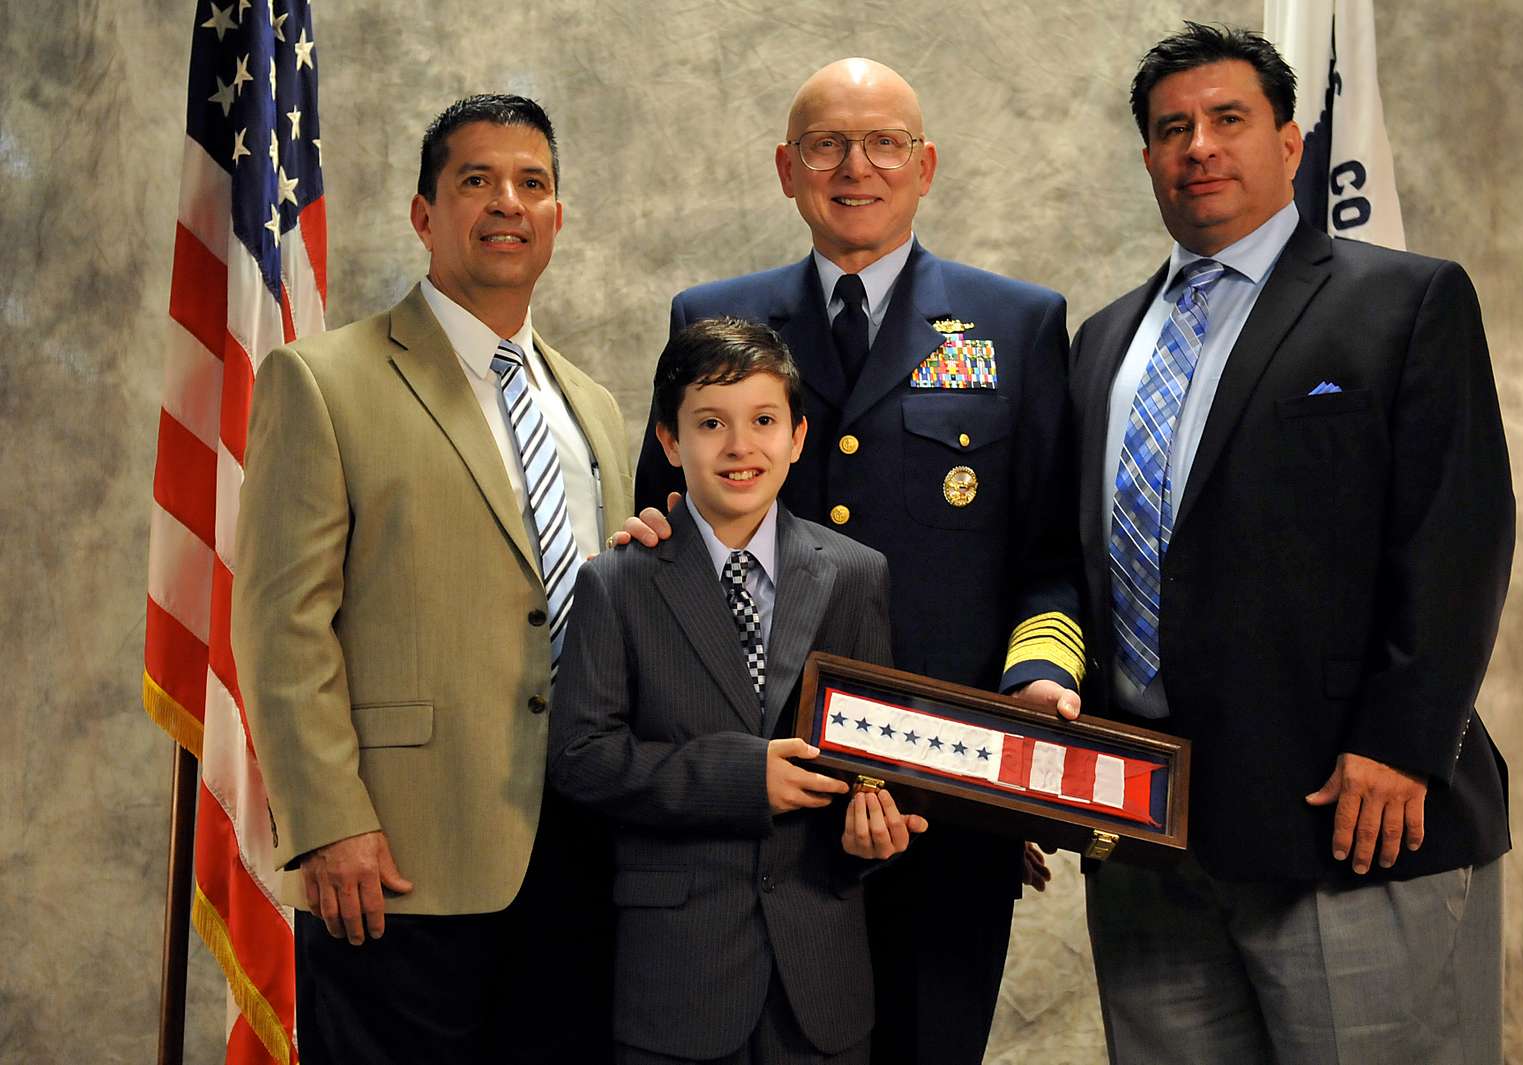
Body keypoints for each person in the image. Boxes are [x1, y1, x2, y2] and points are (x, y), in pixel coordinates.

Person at [1065, 23, 1514, 1064]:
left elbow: (1458, 534)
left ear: (1290, 141)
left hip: (1349, 819)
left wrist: (1403, 747)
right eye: (1172, 129)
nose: (1198, 147)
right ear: (1146, 159)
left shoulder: (1403, 301)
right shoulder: (1102, 343)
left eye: (1228, 120)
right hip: (1146, 834)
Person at [625, 57, 1087, 1065]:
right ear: (786, 168)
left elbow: (1052, 556)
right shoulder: (710, 316)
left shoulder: (1017, 323)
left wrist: (1039, 679)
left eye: (883, 143)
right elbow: (661, 530)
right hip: (760, 800)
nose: (855, 167)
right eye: (827, 144)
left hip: (943, 795)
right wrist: (653, 544)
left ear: (924, 167)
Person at [233, 94, 634, 1063]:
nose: (507, 202)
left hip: (581, 854)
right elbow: (282, 627)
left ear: (557, 217)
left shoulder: (594, 407)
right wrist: (330, 826)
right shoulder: (324, 380)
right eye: (476, 180)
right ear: (424, 215)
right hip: (398, 857)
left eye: (531, 183)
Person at [549, 317, 924, 1065]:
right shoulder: (617, 581)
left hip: (820, 981)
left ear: (798, 436)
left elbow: (873, 762)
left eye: (763, 421)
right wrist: (740, 776)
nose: (740, 446)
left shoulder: (855, 573)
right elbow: (582, 759)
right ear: (668, 441)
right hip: (677, 981)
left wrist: (868, 840)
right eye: (711, 423)